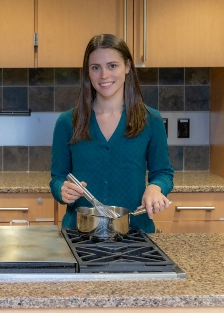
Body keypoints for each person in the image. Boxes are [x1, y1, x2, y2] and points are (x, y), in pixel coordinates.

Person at [49, 34, 173, 233]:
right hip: (79, 235)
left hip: (135, 235)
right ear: (88, 73)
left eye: (112, 66)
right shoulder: (67, 122)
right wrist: (62, 190)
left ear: (127, 67)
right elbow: (57, 178)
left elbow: (163, 173)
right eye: (96, 67)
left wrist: (155, 188)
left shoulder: (152, 120)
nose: (104, 75)